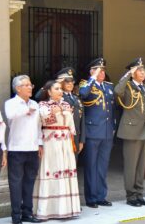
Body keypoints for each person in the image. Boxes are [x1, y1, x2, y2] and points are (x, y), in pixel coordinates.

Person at [33, 80, 80, 220]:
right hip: (50, 142)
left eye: (61, 89)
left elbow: (71, 125)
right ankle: (47, 210)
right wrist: (39, 144)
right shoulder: (42, 105)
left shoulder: (66, 104)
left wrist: (60, 110)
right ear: (49, 92)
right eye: (57, 89)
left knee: (64, 172)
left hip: (65, 143)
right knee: (51, 171)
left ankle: (66, 209)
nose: (60, 91)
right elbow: (42, 123)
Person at [114, 57, 145, 207]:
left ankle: (139, 193)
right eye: (139, 70)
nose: (142, 73)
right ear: (132, 73)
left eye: (143, 70)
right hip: (131, 131)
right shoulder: (128, 86)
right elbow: (117, 91)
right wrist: (127, 75)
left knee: (141, 165)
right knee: (131, 165)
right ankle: (130, 195)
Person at [5, 75, 43, 224]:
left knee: (29, 183)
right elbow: (10, 115)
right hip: (17, 149)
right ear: (18, 88)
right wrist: (26, 110)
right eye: (26, 85)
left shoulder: (35, 103)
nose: (30, 87)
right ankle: (16, 216)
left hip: (32, 149)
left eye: (30, 85)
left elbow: (39, 126)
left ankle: (27, 213)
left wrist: (40, 144)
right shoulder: (11, 103)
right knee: (16, 184)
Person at [79, 57, 115, 208]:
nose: (102, 73)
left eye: (103, 70)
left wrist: (113, 126)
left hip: (106, 131)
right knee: (91, 166)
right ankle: (91, 198)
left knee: (102, 166)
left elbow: (112, 109)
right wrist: (92, 78)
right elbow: (83, 94)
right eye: (99, 70)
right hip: (93, 131)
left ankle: (101, 196)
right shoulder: (86, 84)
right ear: (92, 71)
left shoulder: (108, 86)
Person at [55, 67, 85, 157]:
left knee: (73, 165)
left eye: (72, 81)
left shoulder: (76, 98)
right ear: (61, 82)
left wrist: (81, 140)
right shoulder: (57, 97)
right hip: (62, 136)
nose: (70, 84)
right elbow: (38, 96)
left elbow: (82, 119)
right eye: (67, 81)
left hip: (76, 136)